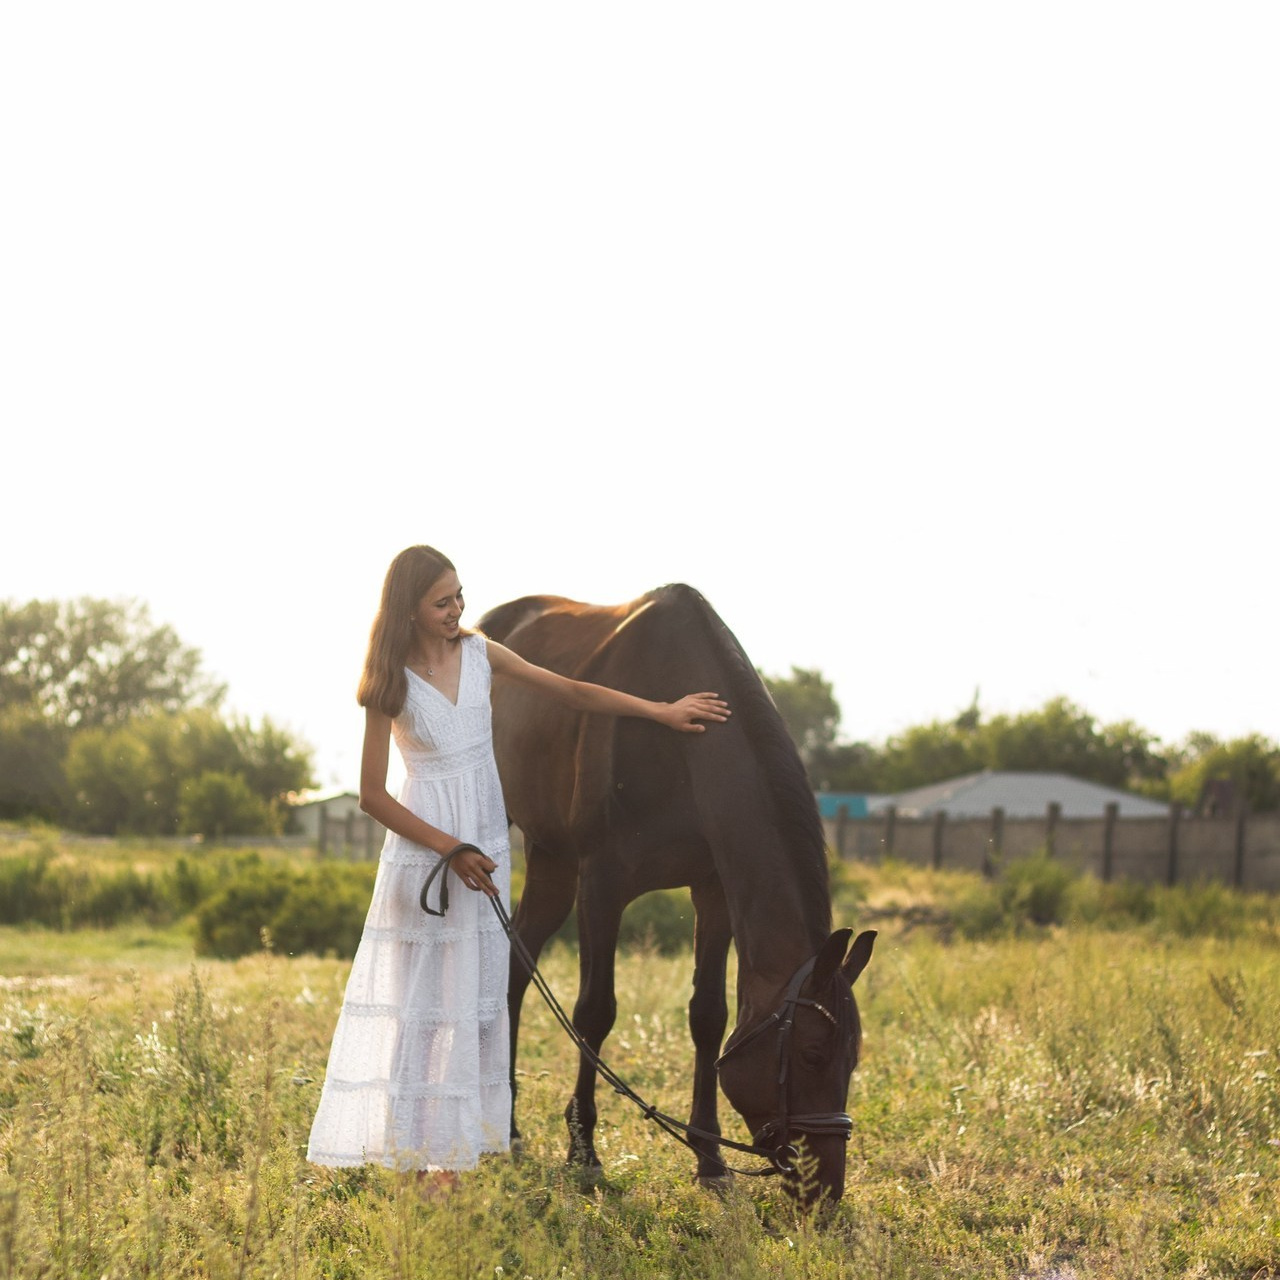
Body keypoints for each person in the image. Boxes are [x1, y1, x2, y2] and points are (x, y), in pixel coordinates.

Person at [306, 545, 728, 1185]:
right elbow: (371, 794)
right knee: (424, 1013)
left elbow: (574, 692)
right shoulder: (388, 680)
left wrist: (661, 712)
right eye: (442, 602)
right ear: (410, 609)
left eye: (459, 595)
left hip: (485, 846)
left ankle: (451, 1155)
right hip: (431, 854)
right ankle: (417, 1163)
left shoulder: (480, 652)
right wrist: (448, 848)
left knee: (475, 1004)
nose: (457, 610)